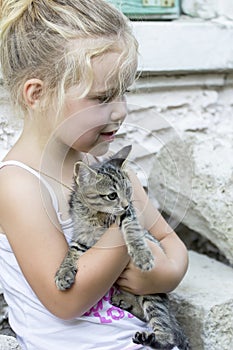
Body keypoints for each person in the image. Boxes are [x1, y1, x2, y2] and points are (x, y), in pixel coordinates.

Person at [0, 1, 189, 349]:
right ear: (37, 94)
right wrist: (125, 232)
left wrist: (163, 276)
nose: (121, 111)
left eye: (125, 93)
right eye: (102, 97)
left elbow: (170, 241)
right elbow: (66, 301)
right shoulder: (19, 185)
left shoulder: (109, 172)